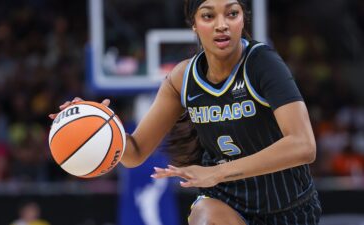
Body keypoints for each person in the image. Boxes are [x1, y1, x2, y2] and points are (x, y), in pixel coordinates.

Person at [50, 0, 322, 224]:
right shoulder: (182, 78)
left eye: (232, 13)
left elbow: (303, 146)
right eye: (208, 15)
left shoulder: (262, 64)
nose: (221, 25)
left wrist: (218, 172)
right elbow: (134, 152)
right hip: (228, 203)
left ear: (243, 19)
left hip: (290, 207)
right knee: (204, 216)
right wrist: (100, 125)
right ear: (194, 24)